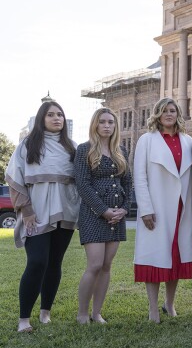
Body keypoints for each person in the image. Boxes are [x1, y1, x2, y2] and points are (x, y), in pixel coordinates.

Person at [6, 101, 80, 333]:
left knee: (55, 262)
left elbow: (81, 180)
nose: (56, 118)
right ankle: (24, 320)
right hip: (36, 213)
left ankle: (45, 313)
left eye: (60, 114)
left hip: (66, 211)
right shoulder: (27, 145)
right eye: (50, 115)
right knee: (37, 261)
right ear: (41, 118)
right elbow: (14, 178)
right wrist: (26, 210)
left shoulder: (72, 147)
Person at [133, 98, 192, 323]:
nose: (169, 114)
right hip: (157, 207)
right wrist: (145, 209)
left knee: (176, 256)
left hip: (181, 207)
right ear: (157, 114)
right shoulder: (146, 141)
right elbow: (139, 177)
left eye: (173, 110)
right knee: (155, 257)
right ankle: (153, 309)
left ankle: (169, 303)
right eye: (164, 111)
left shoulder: (188, 141)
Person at [74, 108, 132, 324]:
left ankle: (97, 313)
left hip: (117, 216)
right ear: (95, 125)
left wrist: (124, 209)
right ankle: (82, 313)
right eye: (102, 122)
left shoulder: (121, 151)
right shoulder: (84, 150)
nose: (107, 126)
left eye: (111, 122)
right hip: (93, 215)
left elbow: (128, 182)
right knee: (95, 265)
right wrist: (104, 211)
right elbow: (82, 184)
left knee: (107, 266)